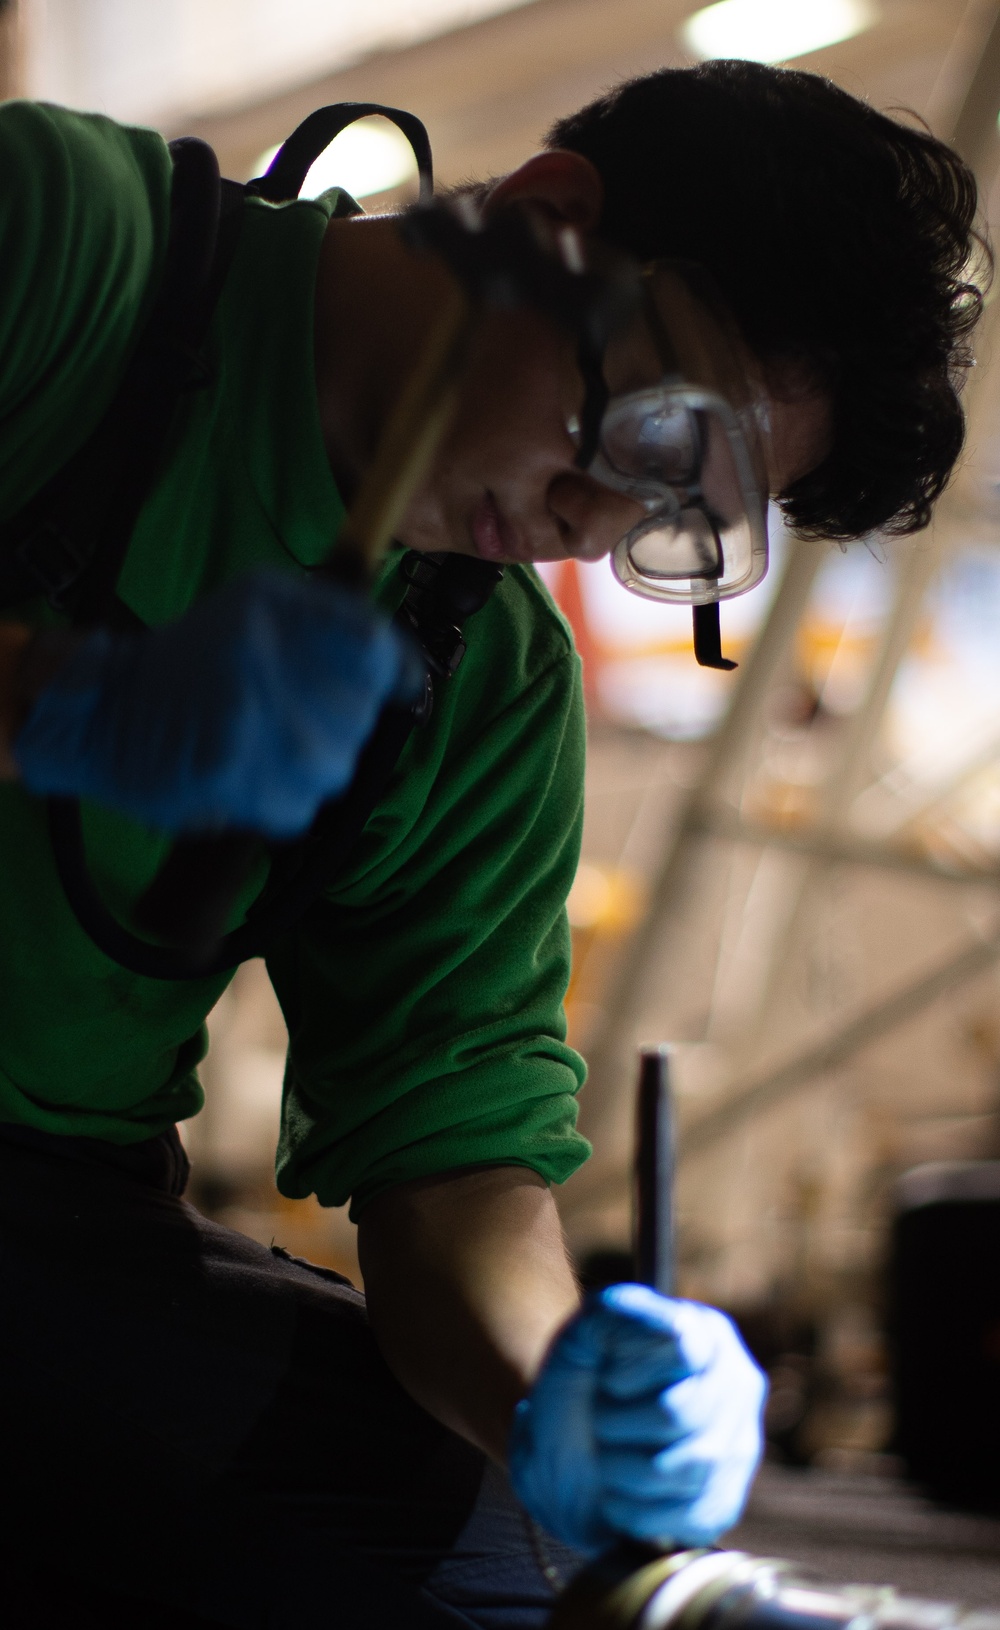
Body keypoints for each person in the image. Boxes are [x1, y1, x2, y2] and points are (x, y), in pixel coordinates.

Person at [0, 58, 982, 1628]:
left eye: (682, 509)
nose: (595, 517)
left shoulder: (477, 677)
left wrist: (560, 1390)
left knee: (427, 1539)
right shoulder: (60, 246)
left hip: (41, 1232)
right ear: (542, 220)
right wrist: (55, 698)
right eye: (645, 429)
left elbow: (449, 1165)